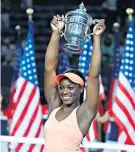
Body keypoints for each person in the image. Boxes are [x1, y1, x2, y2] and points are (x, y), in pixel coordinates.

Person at [44, 14, 106, 152]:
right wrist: (56, 33)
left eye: (71, 87)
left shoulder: (84, 113)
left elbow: (94, 76)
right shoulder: (54, 106)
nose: (64, 91)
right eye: (62, 87)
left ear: (81, 89)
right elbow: (49, 69)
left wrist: (96, 38)